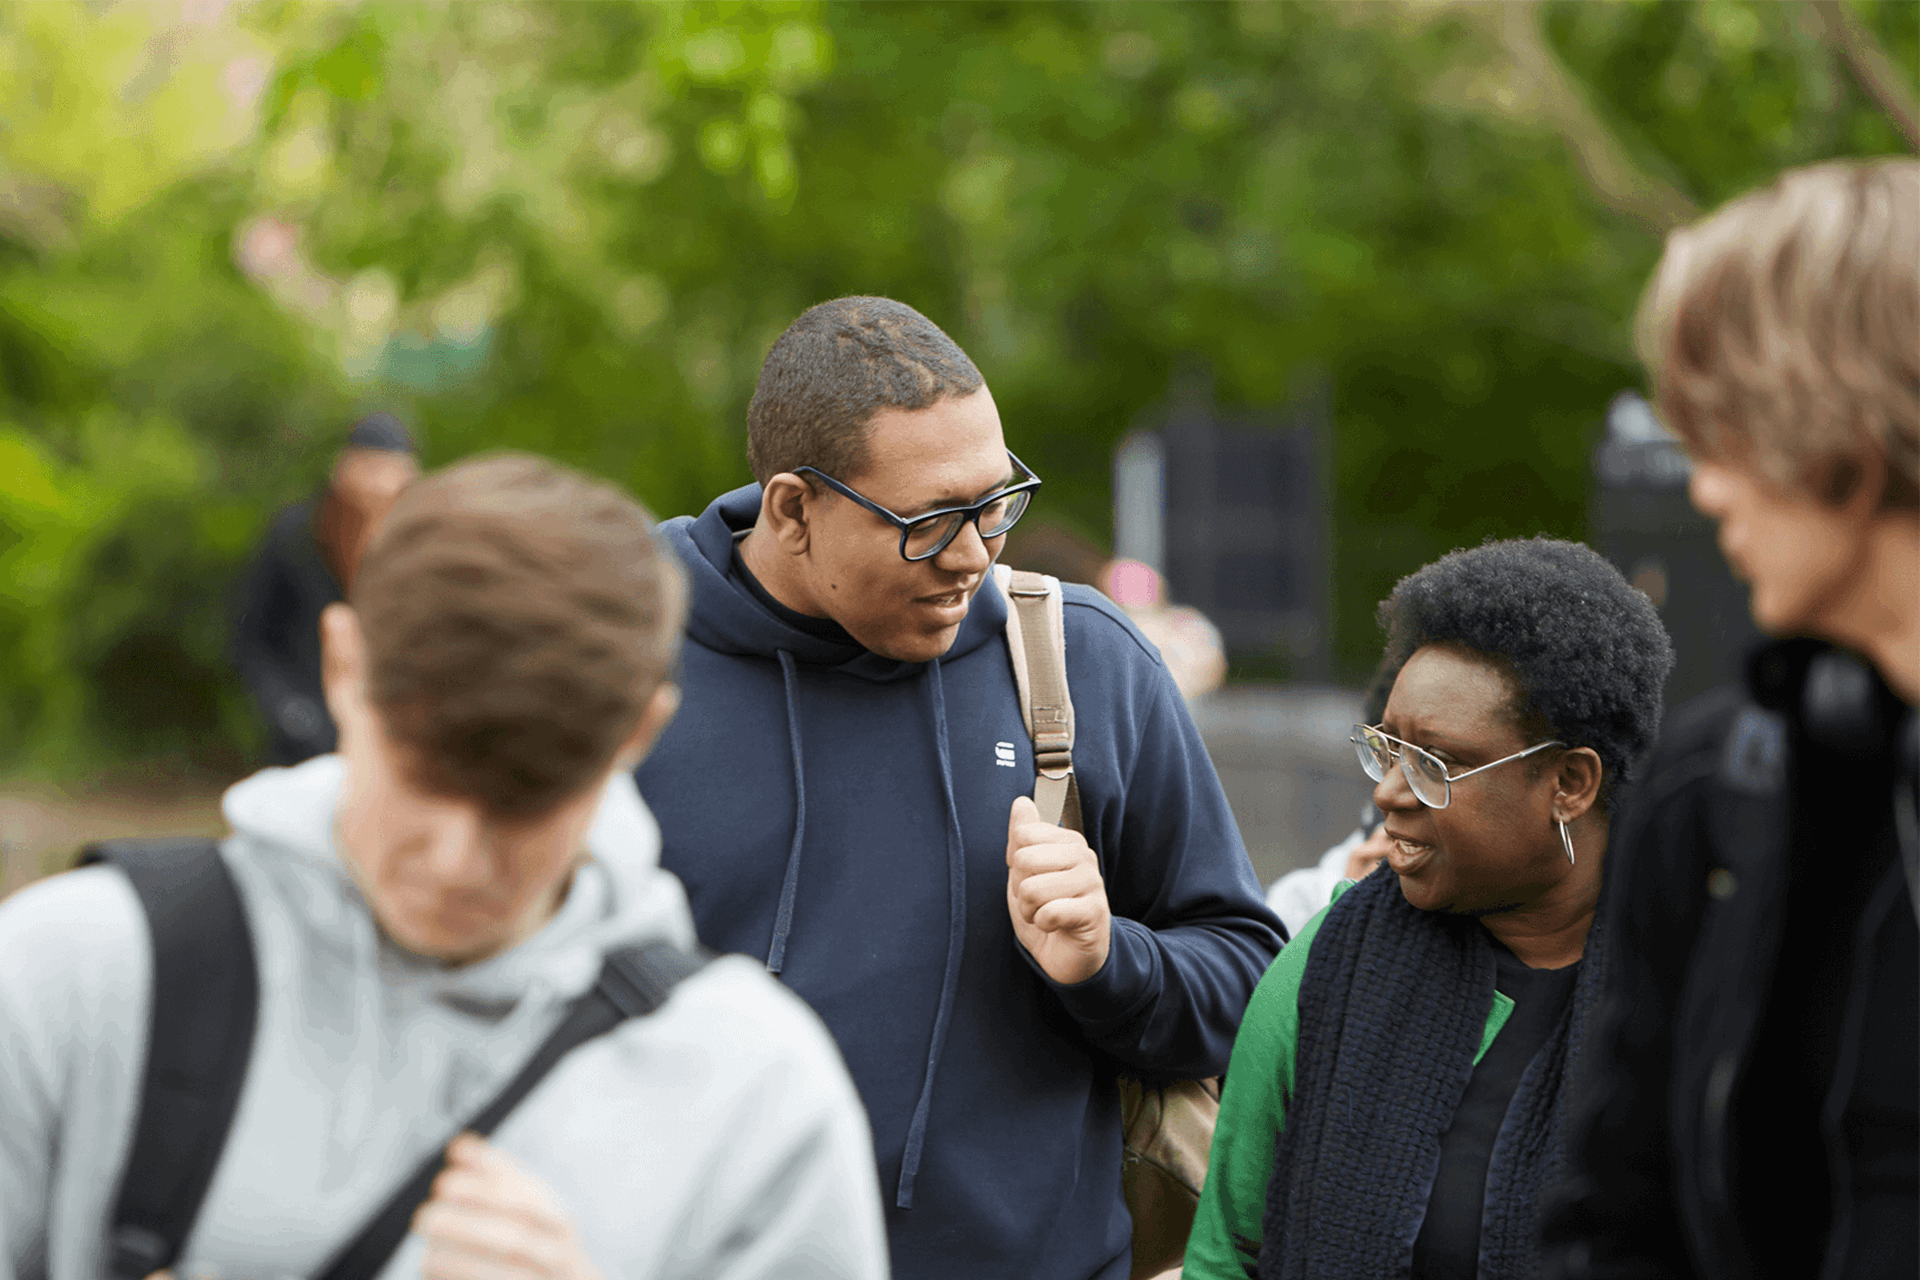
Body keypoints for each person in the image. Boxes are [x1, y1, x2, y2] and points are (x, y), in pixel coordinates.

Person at [0, 453, 889, 1280]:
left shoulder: (756, 1097)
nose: (458, 860)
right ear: (344, 668)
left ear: (639, 734)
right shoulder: (75, 976)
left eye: (524, 798)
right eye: (426, 777)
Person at [635, 296, 1285, 1280]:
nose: (977, 553)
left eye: (995, 503)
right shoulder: (617, 659)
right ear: (793, 509)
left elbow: (1252, 986)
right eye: (931, 521)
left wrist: (1110, 962)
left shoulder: (1084, 664)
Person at [1548, 159, 1918, 1279]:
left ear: (1845, 440)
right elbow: (1617, 1215)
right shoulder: (1719, 790)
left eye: (1723, 434)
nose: (1703, 490)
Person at [1186, 537, 1673, 1279]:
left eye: (1435, 764)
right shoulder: (1326, 969)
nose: (1387, 791)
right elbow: (1227, 1254)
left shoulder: (1686, 987)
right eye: (1386, 748)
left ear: (1570, 783)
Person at [232, 411, 420, 766]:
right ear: (344, 466)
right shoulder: (296, 536)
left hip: (386, 735)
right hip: (303, 734)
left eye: (388, 469)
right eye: (368, 467)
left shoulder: (413, 543)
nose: (377, 482)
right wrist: (289, 710)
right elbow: (251, 636)